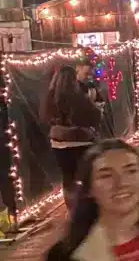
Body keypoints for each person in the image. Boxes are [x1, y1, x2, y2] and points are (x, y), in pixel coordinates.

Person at [41, 64, 103, 210]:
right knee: (85, 175)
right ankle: (86, 207)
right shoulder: (78, 96)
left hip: (58, 144)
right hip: (81, 142)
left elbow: (44, 117)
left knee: (68, 177)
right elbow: (94, 117)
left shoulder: (50, 97)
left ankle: (72, 209)